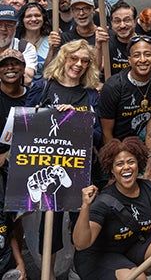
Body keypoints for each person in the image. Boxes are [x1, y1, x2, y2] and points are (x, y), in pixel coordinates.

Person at [27, 40, 102, 276]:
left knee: (80, 222)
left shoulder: (90, 94)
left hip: (79, 168)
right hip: (48, 169)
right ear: (64, 58)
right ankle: (47, 273)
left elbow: (98, 135)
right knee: (49, 225)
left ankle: (78, 269)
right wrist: (41, 113)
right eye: (73, 58)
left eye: (84, 61)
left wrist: (77, 116)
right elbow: (25, 122)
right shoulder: (44, 85)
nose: (78, 64)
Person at [72, 137, 151, 280]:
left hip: (132, 245)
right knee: (138, 278)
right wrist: (85, 206)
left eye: (131, 162)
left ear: (138, 164)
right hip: (101, 255)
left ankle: (136, 270)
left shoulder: (150, 189)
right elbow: (81, 244)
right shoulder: (102, 202)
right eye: (119, 164)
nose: (126, 167)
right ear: (112, 170)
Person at [98, 35, 151, 182]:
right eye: (136, 55)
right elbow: (106, 132)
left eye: (147, 54)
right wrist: (115, 168)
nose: (142, 60)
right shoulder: (113, 87)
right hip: (112, 148)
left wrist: (149, 166)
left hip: (139, 146)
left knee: (150, 183)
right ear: (129, 60)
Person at [15, 1, 50, 82]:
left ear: (43, 18)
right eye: (28, 16)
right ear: (22, 20)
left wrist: (52, 49)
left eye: (37, 15)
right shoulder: (16, 42)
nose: (34, 19)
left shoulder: (51, 41)